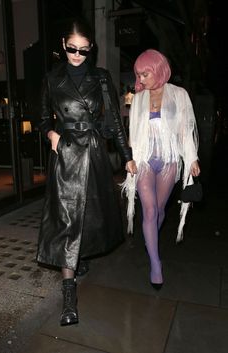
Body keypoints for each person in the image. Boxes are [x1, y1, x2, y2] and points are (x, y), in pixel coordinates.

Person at [36, 17, 136, 326]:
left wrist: (127, 156)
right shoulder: (52, 79)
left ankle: (80, 260)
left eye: (83, 50)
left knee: (90, 215)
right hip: (66, 154)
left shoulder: (103, 78)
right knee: (67, 220)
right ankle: (69, 298)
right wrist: (51, 134)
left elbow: (115, 123)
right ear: (62, 47)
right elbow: (41, 119)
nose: (77, 56)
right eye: (71, 49)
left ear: (91, 48)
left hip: (93, 154)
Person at [122, 49, 200, 290]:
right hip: (145, 160)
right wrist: (130, 158)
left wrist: (193, 158)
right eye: (139, 74)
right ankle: (156, 265)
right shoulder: (138, 97)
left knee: (159, 210)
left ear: (158, 70)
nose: (141, 79)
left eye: (145, 73)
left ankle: (150, 236)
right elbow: (133, 132)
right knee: (148, 210)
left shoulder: (179, 94)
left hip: (168, 161)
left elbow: (185, 132)